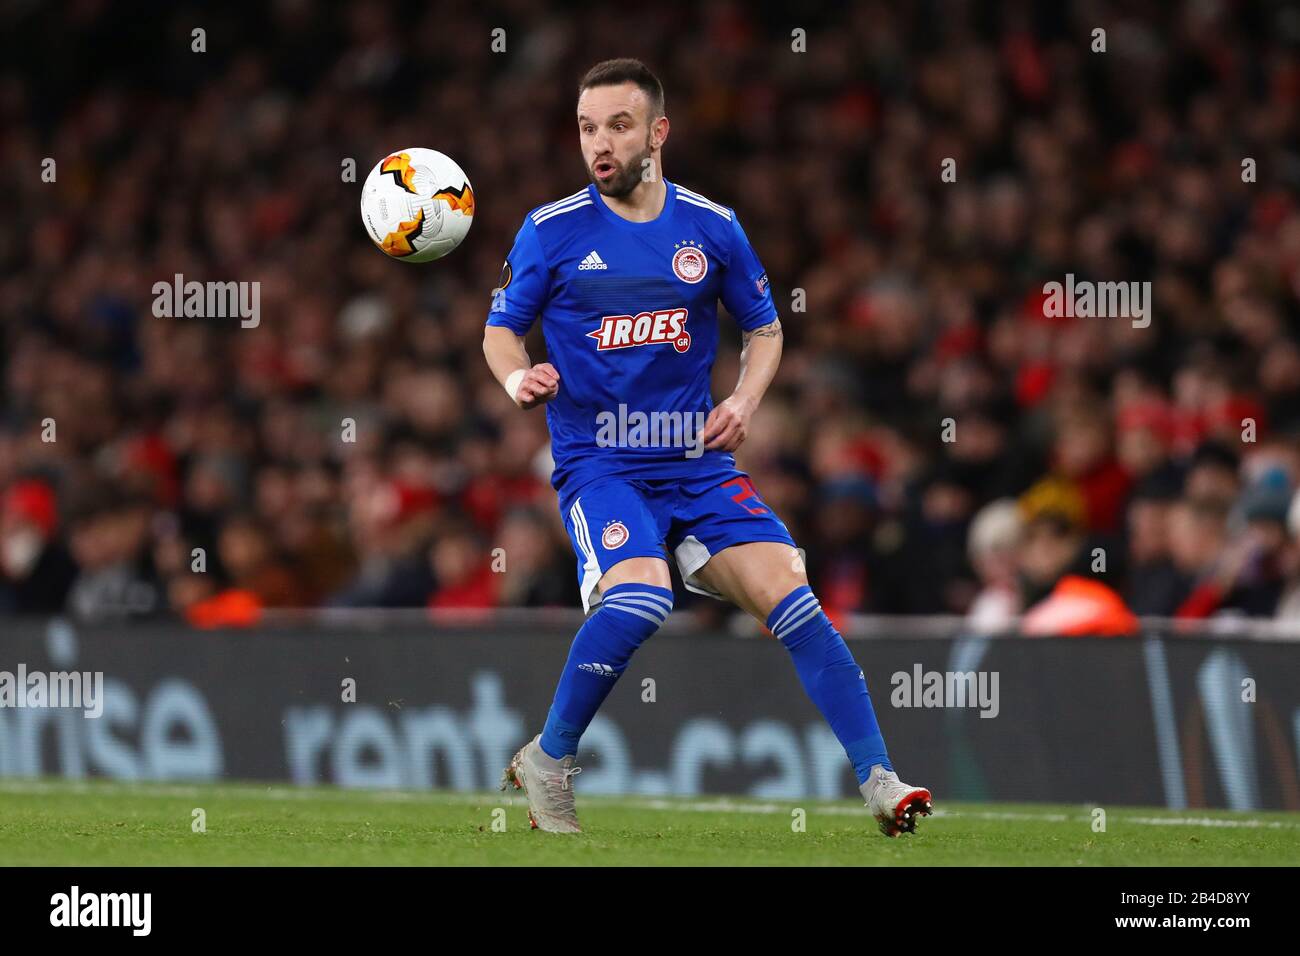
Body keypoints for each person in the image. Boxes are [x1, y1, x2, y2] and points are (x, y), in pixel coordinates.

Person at [482, 58, 930, 837]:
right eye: (588, 127)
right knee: (643, 595)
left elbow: (764, 327)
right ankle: (551, 758)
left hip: (695, 464)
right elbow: (498, 333)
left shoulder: (711, 227)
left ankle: (881, 781)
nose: (601, 143)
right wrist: (519, 380)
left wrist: (745, 400)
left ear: (658, 132)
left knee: (793, 594)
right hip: (602, 463)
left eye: (619, 125)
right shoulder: (550, 231)